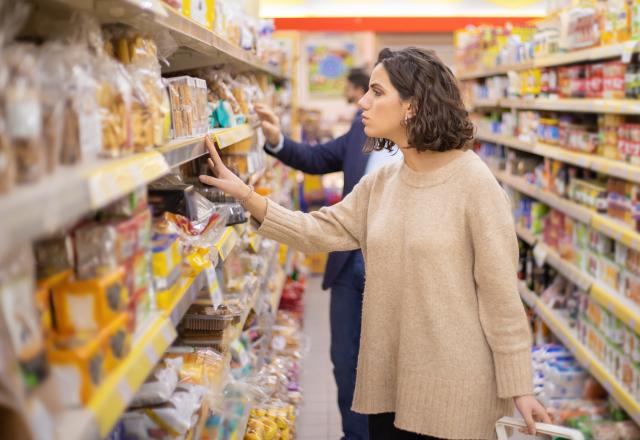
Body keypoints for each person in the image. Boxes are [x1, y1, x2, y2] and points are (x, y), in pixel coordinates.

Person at [200, 47, 550, 439]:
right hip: (391, 386)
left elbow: (501, 297)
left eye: (377, 92)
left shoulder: (474, 184)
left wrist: (521, 388)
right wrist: (247, 196)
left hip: (457, 393)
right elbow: (318, 231)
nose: (363, 102)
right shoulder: (383, 183)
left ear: (412, 107)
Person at [254, 67, 400, 440]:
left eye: (377, 92)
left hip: (398, 273)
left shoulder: (435, 156)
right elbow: (319, 159)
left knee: (393, 366)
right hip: (351, 261)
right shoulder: (361, 131)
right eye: (367, 90)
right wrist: (277, 140)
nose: (363, 102)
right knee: (344, 361)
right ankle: (354, 435)